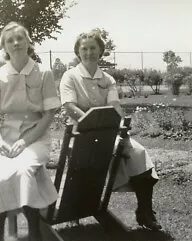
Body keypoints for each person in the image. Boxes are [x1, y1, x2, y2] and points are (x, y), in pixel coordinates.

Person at [59, 30, 162, 231]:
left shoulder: (107, 79)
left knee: (139, 154)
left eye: (93, 48)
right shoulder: (70, 76)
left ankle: (145, 213)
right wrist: (92, 123)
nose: (89, 52)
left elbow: (114, 107)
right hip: (81, 134)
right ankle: (74, 211)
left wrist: (121, 132)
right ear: (78, 52)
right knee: (82, 167)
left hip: (108, 133)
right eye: (84, 49)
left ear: (101, 52)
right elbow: (69, 106)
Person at [0, 22, 61, 241]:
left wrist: (25, 142)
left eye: (20, 38)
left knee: (24, 171)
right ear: (4, 46)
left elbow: (48, 115)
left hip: (36, 138)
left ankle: (35, 234)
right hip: (6, 140)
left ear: (28, 42)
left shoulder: (43, 73)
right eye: (10, 40)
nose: (16, 43)